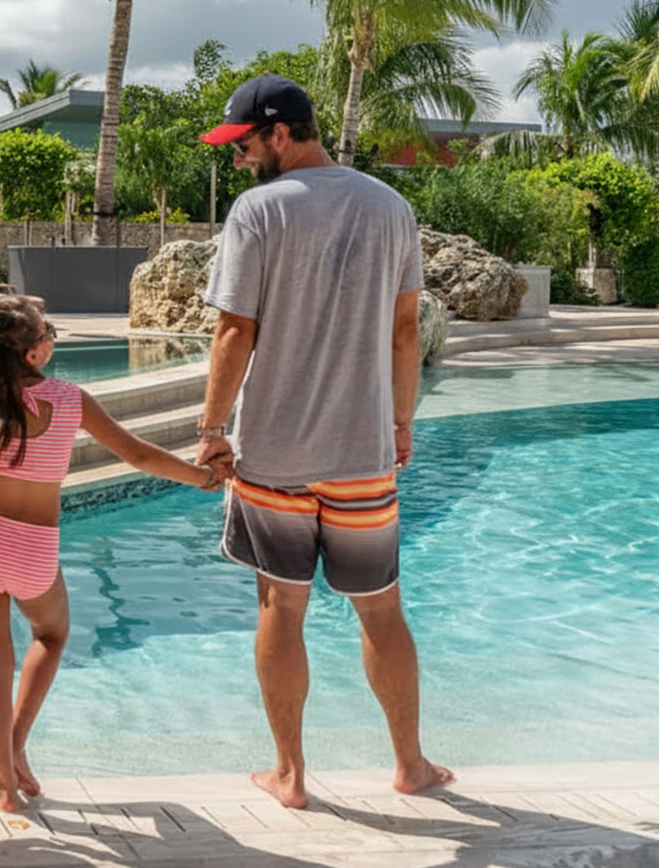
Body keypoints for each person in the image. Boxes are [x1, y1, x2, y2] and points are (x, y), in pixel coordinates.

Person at [195, 74, 453, 809]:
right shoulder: (391, 206)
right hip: (361, 452)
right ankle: (410, 765)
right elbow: (406, 330)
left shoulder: (258, 212)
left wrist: (211, 430)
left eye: (244, 144)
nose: (239, 159)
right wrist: (399, 421)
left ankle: (291, 775)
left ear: (281, 133)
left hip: (274, 454)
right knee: (381, 608)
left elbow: (234, 330)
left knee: (281, 607)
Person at [0, 298, 225, 813]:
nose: (51, 339)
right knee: (51, 635)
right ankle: (17, 743)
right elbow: (137, 454)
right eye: (47, 333)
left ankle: (3, 786)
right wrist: (204, 477)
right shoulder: (68, 400)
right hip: (34, 548)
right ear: (33, 354)